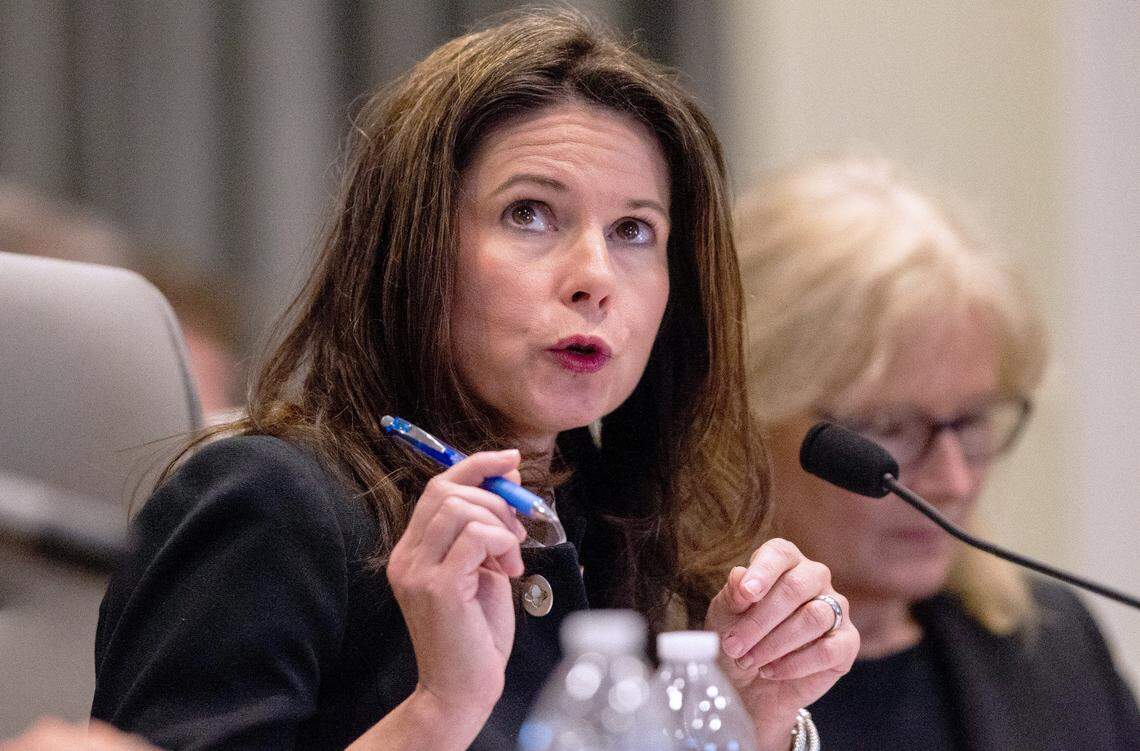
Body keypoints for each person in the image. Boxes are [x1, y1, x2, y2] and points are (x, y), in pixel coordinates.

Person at [91, 11, 858, 751]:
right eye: (530, 213)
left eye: (633, 231)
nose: (595, 276)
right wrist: (437, 710)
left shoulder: (625, 529)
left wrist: (745, 715)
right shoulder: (271, 505)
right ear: (414, 253)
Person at [735, 156, 1140, 749]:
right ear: (743, 422)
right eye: (889, 426)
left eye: (973, 420)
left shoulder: (1055, 643)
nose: (952, 480)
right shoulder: (653, 673)